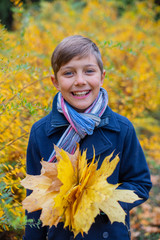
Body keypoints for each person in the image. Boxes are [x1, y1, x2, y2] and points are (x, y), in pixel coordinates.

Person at [23, 35, 152, 240]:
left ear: (102, 77)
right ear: (55, 82)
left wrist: (100, 202)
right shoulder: (41, 132)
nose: (80, 81)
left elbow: (140, 183)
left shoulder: (122, 129)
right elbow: (35, 199)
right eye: (69, 73)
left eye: (89, 71)